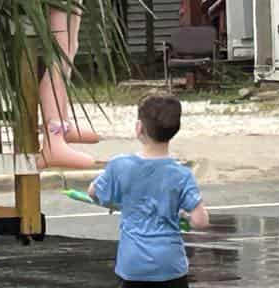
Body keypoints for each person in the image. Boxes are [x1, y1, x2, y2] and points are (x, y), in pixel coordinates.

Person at [88, 93, 210, 288]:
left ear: (139, 128)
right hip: (171, 266)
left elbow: (93, 192)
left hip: (133, 266)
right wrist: (183, 215)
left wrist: (115, 202)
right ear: (174, 130)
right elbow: (201, 221)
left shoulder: (120, 165)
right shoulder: (182, 174)